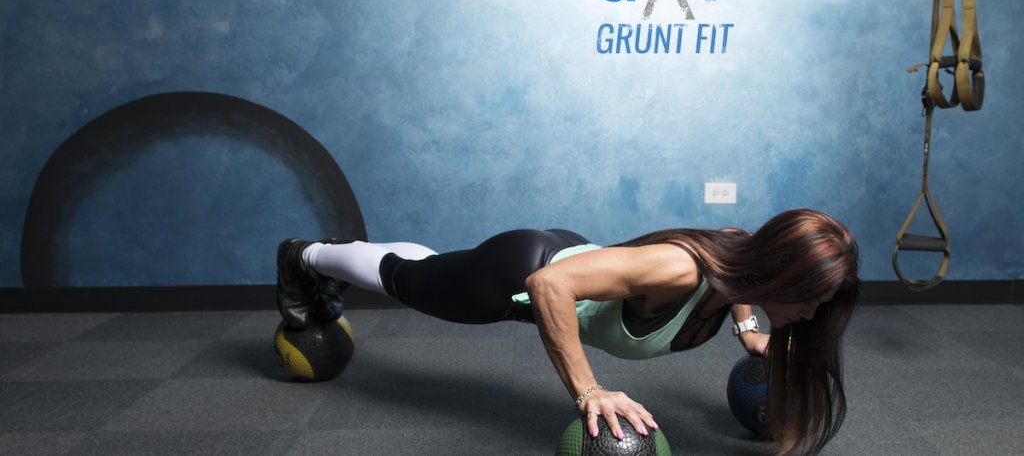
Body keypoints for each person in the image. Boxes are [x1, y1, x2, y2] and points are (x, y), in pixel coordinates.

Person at [276, 208, 860, 455]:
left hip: (572, 254)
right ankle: (306, 255)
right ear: (781, 274)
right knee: (410, 280)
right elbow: (549, 285)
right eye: (810, 300)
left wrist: (749, 330)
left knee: (427, 265)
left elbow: (737, 246)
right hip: (518, 275)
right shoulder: (681, 270)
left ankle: (334, 258)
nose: (812, 315)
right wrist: (590, 391)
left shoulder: (741, 264)